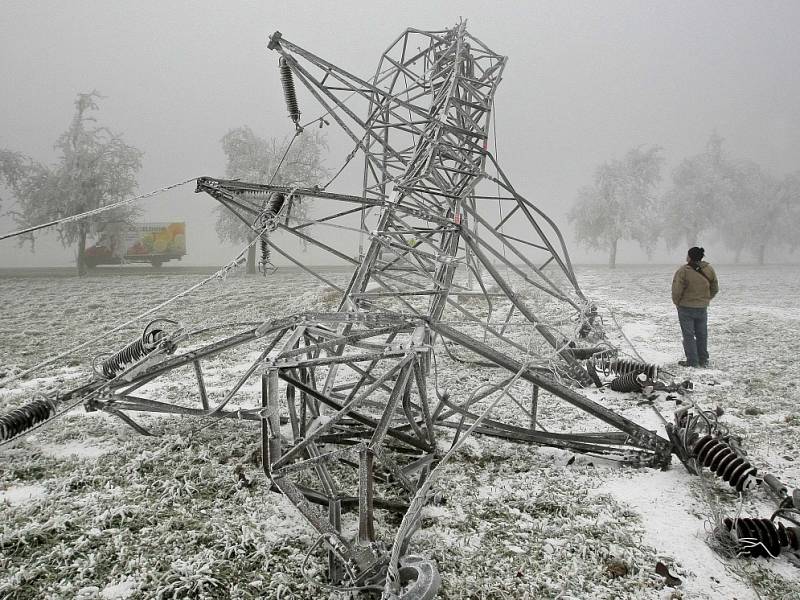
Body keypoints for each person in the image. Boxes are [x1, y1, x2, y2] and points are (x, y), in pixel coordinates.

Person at [672, 246, 718, 368]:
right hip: (702, 307)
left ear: (690, 257)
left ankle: (692, 361)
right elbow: (714, 288)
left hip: (686, 307)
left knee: (688, 335)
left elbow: (677, 290)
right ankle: (703, 359)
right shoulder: (709, 269)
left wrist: (677, 302)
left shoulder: (684, 271)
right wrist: (706, 299)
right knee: (702, 333)